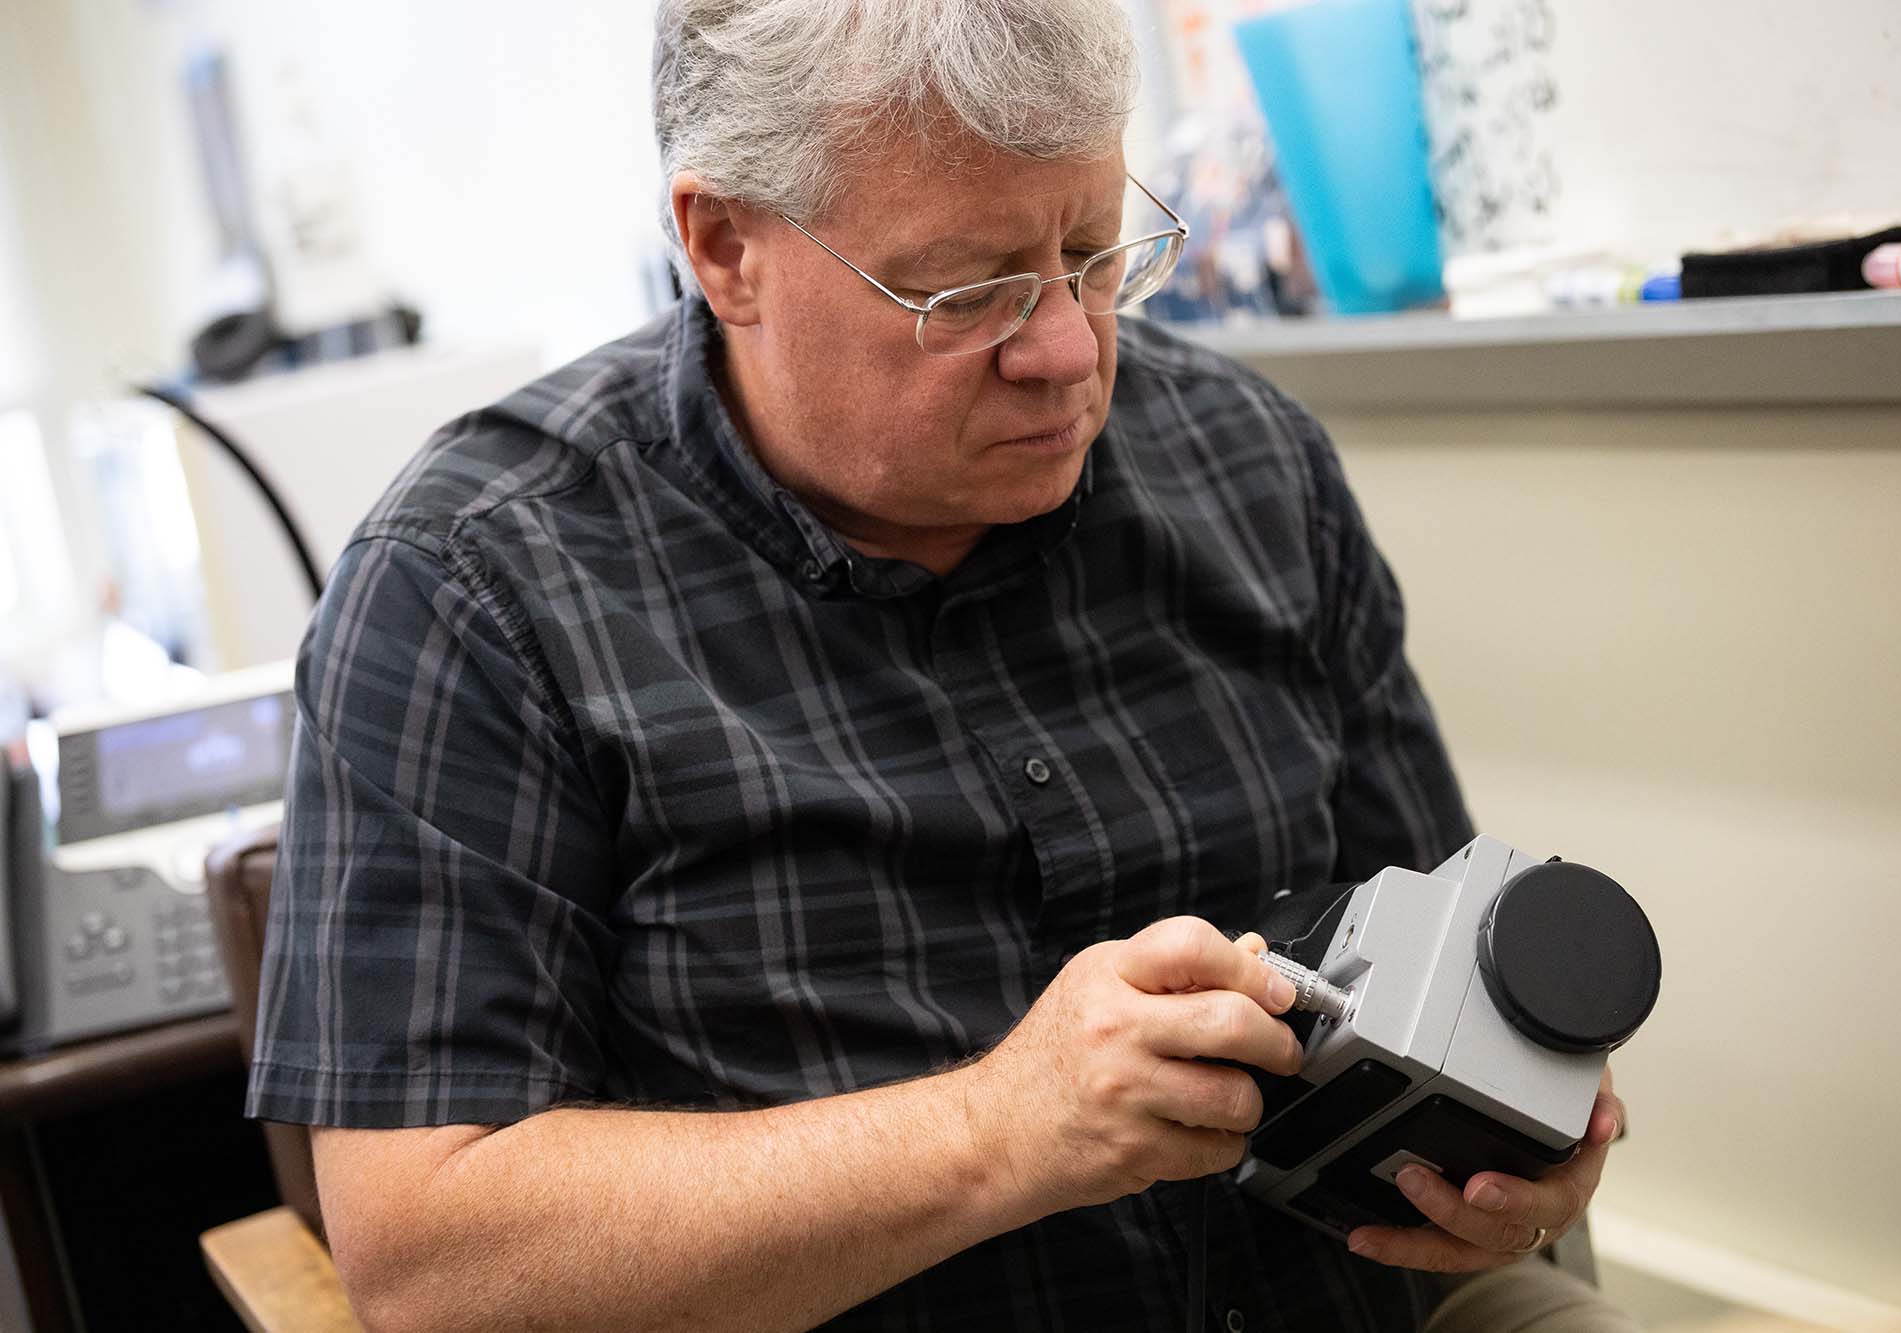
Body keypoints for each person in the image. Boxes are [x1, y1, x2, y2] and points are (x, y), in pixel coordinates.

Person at [247, 1, 1634, 1329]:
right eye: (964, 292)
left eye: (1097, 254)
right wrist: (997, 1130)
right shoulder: (476, 589)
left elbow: (1453, 960)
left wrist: (1523, 1137)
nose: (1066, 351)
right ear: (725, 245)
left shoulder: (1250, 463)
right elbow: (425, 1262)